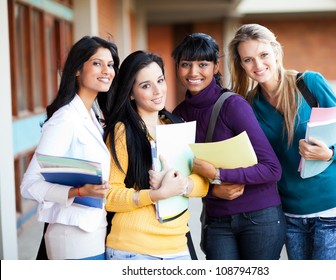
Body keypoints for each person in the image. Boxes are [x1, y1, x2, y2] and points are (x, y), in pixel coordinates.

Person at [228, 23, 336, 260]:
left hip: (330, 210)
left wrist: (330, 152)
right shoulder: (247, 104)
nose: (258, 65)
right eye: (248, 59)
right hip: (288, 214)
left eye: (263, 55)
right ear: (241, 64)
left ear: (276, 52)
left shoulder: (309, 84)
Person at [171, 33, 285, 260]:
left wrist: (219, 174)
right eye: (186, 64)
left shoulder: (233, 105)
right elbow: (180, 176)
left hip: (259, 217)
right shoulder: (178, 115)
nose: (193, 73)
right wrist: (213, 188)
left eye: (203, 64)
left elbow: (273, 169)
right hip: (217, 220)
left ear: (215, 67)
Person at [20, 36, 120, 260]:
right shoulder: (65, 119)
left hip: (93, 233)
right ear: (77, 70)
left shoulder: (92, 116)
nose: (107, 70)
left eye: (110, 64)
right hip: (72, 237)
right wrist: (79, 192)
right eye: (97, 63)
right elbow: (29, 185)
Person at [103, 50, 209, 260]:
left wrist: (182, 184)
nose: (157, 91)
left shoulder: (175, 124)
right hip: (134, 250)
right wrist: (156, 194)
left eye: (160, 80)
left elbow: (202, 183)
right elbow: (109, 196)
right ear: (131, 93)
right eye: (145, 86)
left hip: (178, 246)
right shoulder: (122, 131)